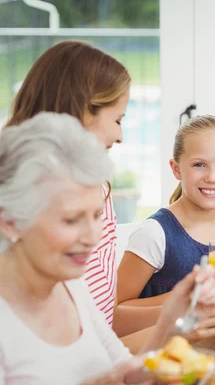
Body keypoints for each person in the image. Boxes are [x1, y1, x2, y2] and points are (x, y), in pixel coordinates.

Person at [0, 113, 215, 385]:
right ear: (9, 221)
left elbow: (122, 373)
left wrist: (172, 324)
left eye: (96, 215)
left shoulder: (70, 286)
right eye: (71, 220)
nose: (92, 236)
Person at [5, 40, 130, 325]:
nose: (121, 135)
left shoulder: (98, 188)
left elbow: (102, 321)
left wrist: (181, 316)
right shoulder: (25, 201)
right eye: (118, 119)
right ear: (84, 112)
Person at [115, 115, 215, 337]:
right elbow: (113, 317)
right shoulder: (155, 234)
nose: (211, 177)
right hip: (163, 359)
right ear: (176, 168)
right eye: (199, 165)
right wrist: (187, 301)